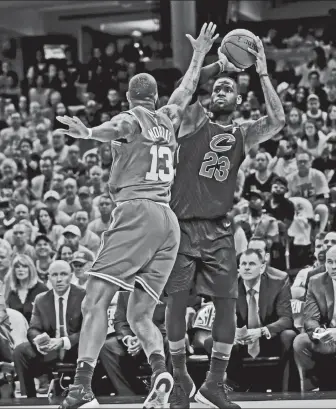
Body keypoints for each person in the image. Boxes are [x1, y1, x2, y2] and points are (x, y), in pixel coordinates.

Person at [56, 23, 219, 409]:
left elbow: (121, 125)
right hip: (167, 222)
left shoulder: (134, 119)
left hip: (137, 213)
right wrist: (198, 55)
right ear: (155, 96)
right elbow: (186, 89)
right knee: (140, 313)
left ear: (130, 99)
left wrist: (90, 132)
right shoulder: (169, 117)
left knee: (95, 301)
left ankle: (80, 387)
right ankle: (162, 371)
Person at [165, 36, 286, 409]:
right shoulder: (192, 118)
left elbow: (278, 120)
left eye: (229, 89)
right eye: (216, 88)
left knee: (226, 303)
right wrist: (214, 62)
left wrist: (261, 71)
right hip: (182, 225)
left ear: (238, 101)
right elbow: (185, 92)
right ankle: (181, 379)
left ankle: (215, 383)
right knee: (177, 302)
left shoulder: (243, 134)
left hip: (219, 228)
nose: (220, 90)